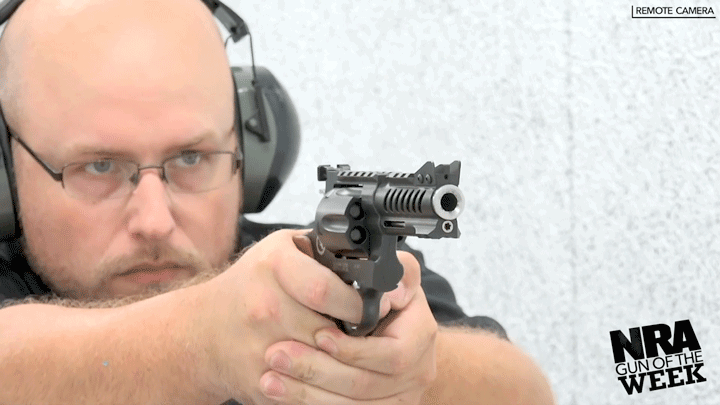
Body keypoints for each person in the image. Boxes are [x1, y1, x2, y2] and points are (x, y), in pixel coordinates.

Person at [0, 0, 555, 404]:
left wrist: (412, 370)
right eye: (99, 167)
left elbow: (524, 391)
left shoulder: (304, 265)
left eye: (192, 159)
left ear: (251, 150)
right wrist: (200, 339)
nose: (155, 221)